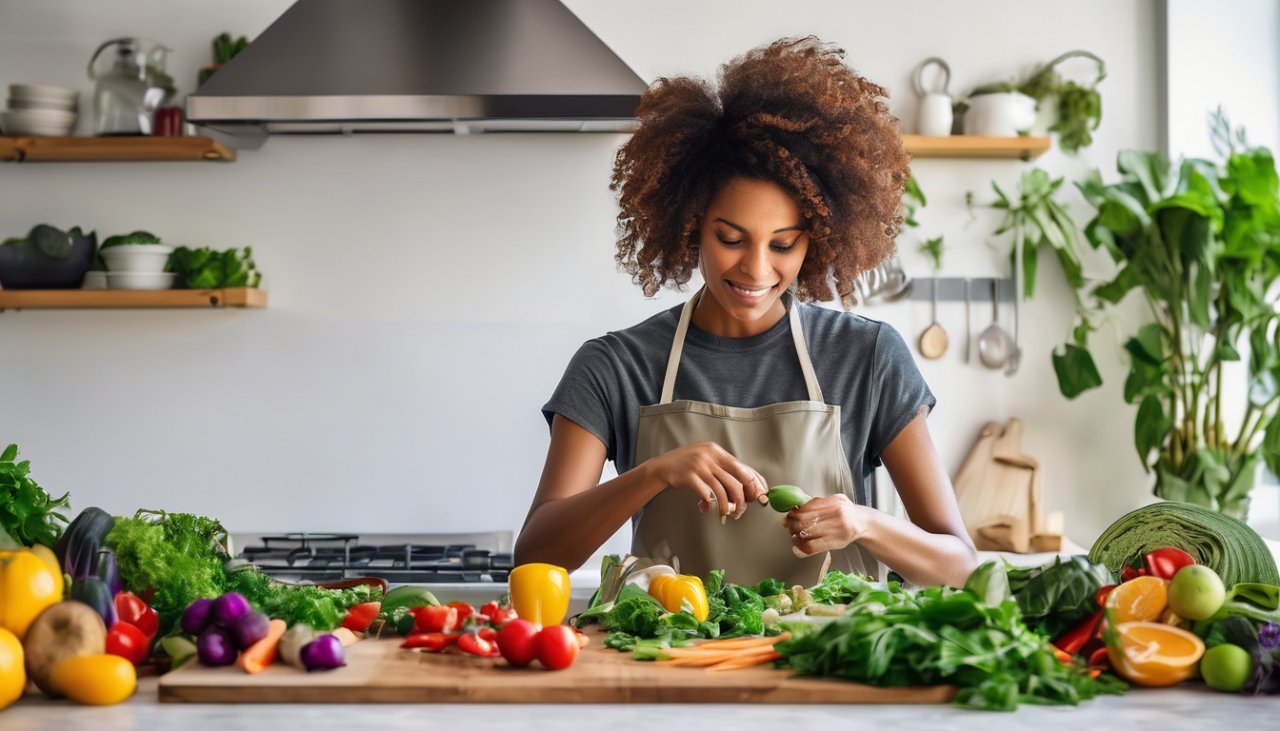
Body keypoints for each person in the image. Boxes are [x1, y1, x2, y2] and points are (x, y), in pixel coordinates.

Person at [515, 36, 977, 588]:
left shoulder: (868, 357)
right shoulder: (614, 366)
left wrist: (864, 523)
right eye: (731, 238)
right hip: (671, 661)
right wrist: (655, 473)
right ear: (690, 224)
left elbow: (959, 564)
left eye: (783, 245)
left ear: (817, 242)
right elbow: (537, 555)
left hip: (823, 667)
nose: (756, 270)